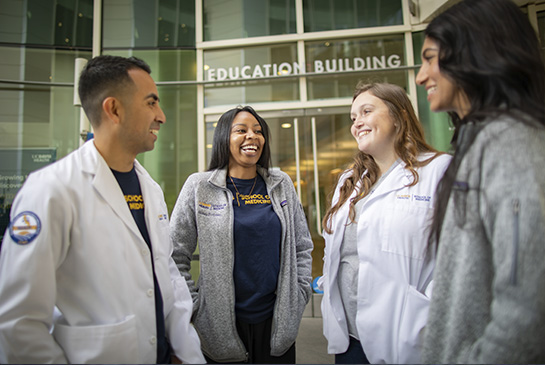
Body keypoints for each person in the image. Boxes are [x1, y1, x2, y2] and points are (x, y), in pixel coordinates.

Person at [0, 55, 205, 364]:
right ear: (114, 109)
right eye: (151, 103)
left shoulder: (150, 189)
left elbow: (167, 275)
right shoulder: (50, 190)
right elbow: (17, 322)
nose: (161, 116)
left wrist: (184, 351)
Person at [415, 0, 545, 363]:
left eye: (429, 58)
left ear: (472, 55)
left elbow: (527, 315)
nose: (420, 76)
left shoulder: (511, 143)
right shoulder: (480, 140)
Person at [319, 82, 452, 364]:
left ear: (399, 115)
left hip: (408, 339)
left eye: (366, 111)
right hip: (349, 340)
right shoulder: (349, 181)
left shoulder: (440, 171)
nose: (357, 124)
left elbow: (456, 260)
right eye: (353, 118)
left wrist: (425, 319)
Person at [170, 105, 313, 363]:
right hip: (219, 329)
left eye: (258, 131)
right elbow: (174, 254)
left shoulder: (281, 185)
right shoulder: (199, 187)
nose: (252, 137)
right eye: (242, 130)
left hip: (275, 326)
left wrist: (299, 294)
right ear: (224, 138)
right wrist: (194, 307)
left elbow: (302, 246)